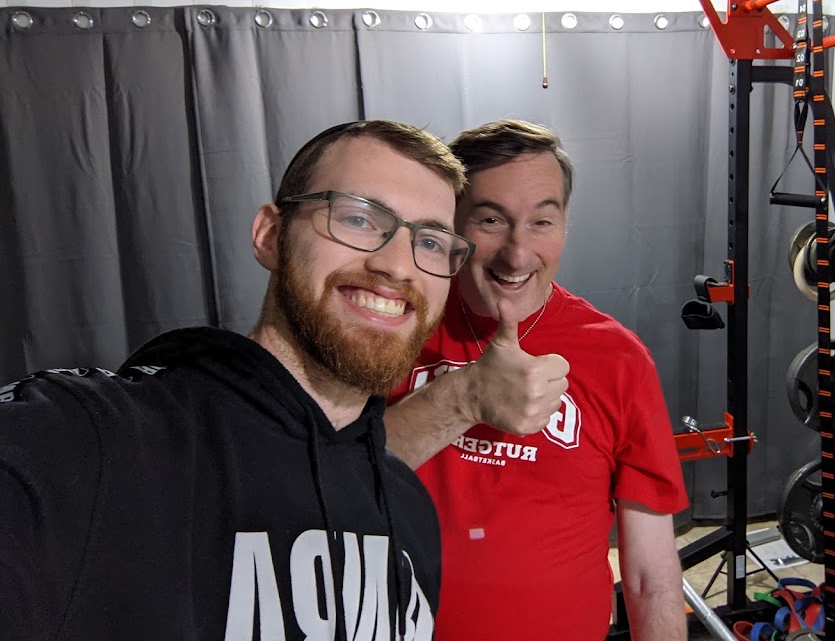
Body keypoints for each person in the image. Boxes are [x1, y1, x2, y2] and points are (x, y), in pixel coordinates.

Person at [0, 119, 472, 641]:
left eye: (431, 242)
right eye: (358, 218)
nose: (398, 267)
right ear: (270, 236)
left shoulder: (408, 510)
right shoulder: (91, 438)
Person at [386, 120, 689, 641]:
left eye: (541, 222)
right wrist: (463, 397)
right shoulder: (394, 326)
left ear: (565, 224)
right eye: (490, 220)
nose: (518, 253)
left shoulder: (619, 359)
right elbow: (328, 482)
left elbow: (649, 577)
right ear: (451, 223)